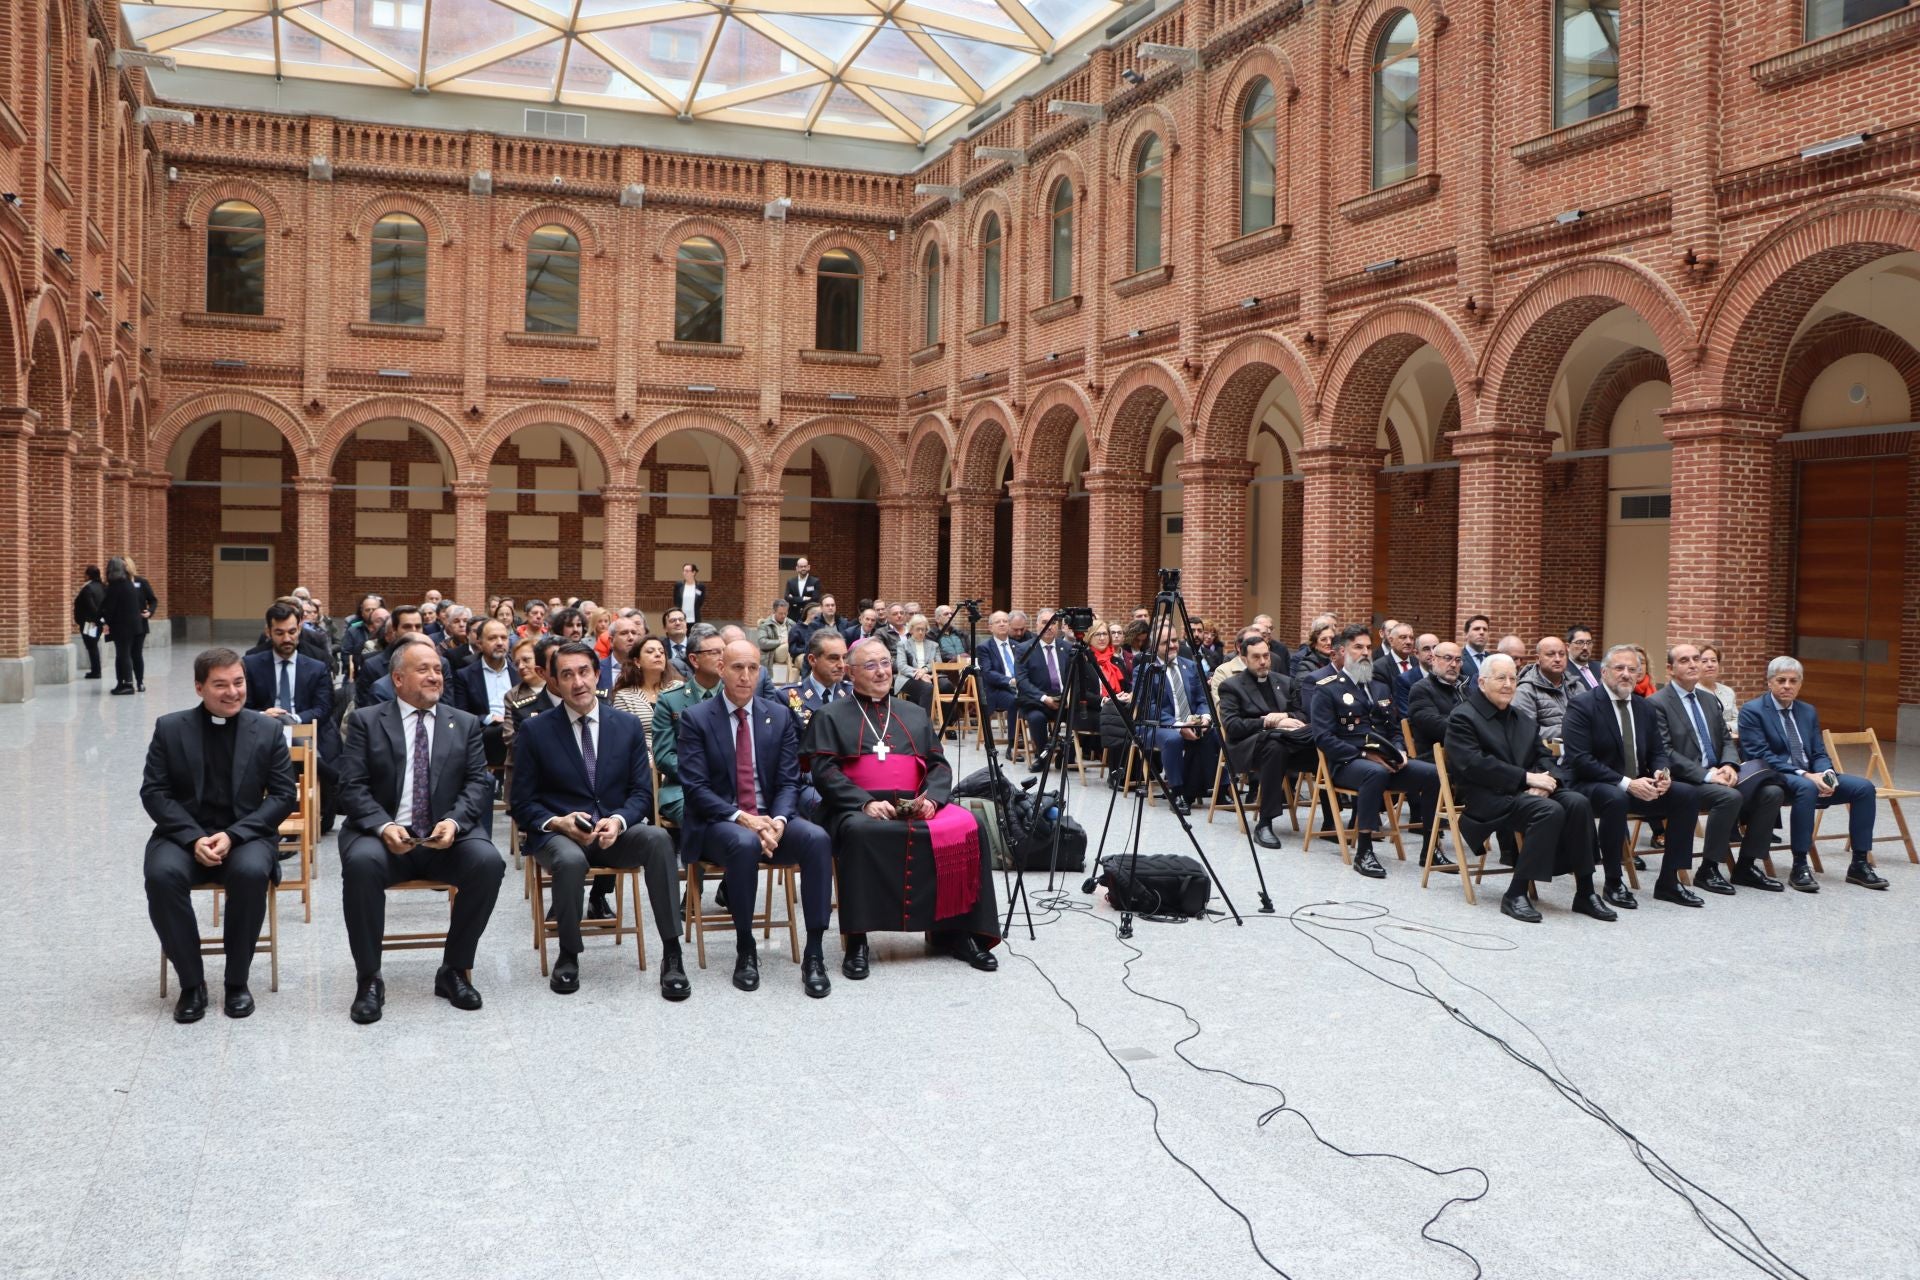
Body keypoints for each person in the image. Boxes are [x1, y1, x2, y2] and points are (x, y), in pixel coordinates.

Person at [806, 638, 1001, 980]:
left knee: (971, 826)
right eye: (870, 665)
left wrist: (933, 800)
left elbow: (939, 765)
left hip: (917, 803)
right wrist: (863, 801)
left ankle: (958, 932)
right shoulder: (829, 716)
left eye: (885, 663)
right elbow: (824, 772)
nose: (882, 671)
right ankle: (858, 940)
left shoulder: (913, 713)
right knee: (861, 832)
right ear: (850, 672)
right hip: (857, 805)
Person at [335, 635, 505, 1023]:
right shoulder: (366, 721)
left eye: (438, 670)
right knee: (360, 864)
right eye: (423, 669)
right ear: (398, 678)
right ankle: (369, 978)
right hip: (384, 838)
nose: (435, 676)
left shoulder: (462, 723)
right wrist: (382, 826)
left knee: (488, 863)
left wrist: (454, 821)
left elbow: (479, 783)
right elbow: (351, 786)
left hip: (445, 837)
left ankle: (454, 969)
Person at [512, 642, 686, 999]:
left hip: (613, 835)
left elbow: (641, 792)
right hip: (559, 835)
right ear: (556, 682)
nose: (577, 682)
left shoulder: (626, 725)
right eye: (567, 675)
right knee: (571, 859)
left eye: (584, 672)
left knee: (658, 839)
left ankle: (672, 953)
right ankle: (569, 954)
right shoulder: (536, 730)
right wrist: (558, 823)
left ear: (597, 675)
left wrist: (619, 821)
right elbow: (521, 803)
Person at [142, 648, 298, 1022]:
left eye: (239, 682)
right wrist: (194, 838)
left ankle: (236, 982)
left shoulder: (268, 730)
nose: (232, 692)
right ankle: (192, 984)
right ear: (199, 687)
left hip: (246, 836)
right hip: (182, 836)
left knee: (249, 873)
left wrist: (234, 834)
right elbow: (154, 792)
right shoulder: (170, 728)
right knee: (161, 876)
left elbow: (282, 796)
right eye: (221, 685)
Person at [678, 639, 836, 997]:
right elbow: (696, 788)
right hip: (721, 823)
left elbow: (788, 780)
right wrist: (744, 819)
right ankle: (745, 947)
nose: (745, 676)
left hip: (771, 820)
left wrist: (779, 821)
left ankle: (814, 952)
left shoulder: (777, 714)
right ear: (721, 669)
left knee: (817, 839)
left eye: (753, 668)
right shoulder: (697, 719)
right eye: (737, 667)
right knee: (745, 842)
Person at [1442, 654, 1612, 924]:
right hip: (1488, 798)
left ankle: (1586, 891)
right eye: (1501, 678)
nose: (1509, 684)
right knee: (1549, 811)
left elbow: (1542, 755)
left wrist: (1547, 779)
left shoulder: (1521, 717)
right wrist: (1527, 779)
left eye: (1513, 678)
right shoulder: (1463, 717)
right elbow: (1473, 765)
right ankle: (1516, 892)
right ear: (1483, 682)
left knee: (1578, 802)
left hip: (1527, 792)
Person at [1561, 644, 1705, 910]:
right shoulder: (1583, 705)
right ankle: (1614, 881)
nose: (1626, 674)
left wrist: (1662, 774)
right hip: (1591, 785)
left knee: (1686, 794)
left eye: (1632, 669)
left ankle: (1669, 882)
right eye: (1619, 668)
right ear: (1604, 672)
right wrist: (1628, 784)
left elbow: (1658, 752)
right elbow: (1581, 760)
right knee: (1615, 798)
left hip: (1637, 784)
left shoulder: (1643, 707)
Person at [1738, 656, 1887, 892]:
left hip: (1811, 776)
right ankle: (1799, 866)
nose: (1787, 686)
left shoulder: (1807, 711)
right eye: (1781, 680)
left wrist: (1827, 775)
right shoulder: (1752, 710)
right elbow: (1761, 755)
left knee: (1864, 788)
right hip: (1776, 777)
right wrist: (1807, 776)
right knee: (1806, 787)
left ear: (1800, 684)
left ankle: (1859, 864)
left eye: (1793, 681)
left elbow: (1818, 751)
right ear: (1769, 683)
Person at [1652, 643, 1787, 894]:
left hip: (1718, 772)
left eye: (1696, 659)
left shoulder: (1708, 699)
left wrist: (1728, 765)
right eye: (1685, 661)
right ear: (1670, 669)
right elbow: (1666, 751)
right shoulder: (1658, 703)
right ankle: (1709, 868)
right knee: (1729, 797)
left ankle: (1746, 865)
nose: (1693, 664)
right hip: (1685, 781)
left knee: (1772, 793)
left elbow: (1726, 739)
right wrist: (1707, 775)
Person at [1308, 623, 1440, 878]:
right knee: (1374, 773)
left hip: (1387, 760)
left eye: (1368, 647)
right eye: (1358, 647)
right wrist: (1364, 755)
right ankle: (1364, 851)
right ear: (1343, 652)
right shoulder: (1328, 688)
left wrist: (1400, 751)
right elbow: (1323, 738)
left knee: (1433, 774)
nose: (1366, 652)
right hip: (1347, 762)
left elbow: (1394, 728)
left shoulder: (1380, 687)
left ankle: (1430, 847)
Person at [1218, 631, 1316, 850]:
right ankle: (1265, 822)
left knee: (1324, 741)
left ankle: (1332, 818)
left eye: (1266, 656)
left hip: (1290, 741)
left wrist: (1285, 717)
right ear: (1243, 659)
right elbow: (1233, 727)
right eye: (1256, 657)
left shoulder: (1284, 681)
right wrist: (1268, 722)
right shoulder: (1231, 686)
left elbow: (1303, 715)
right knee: (1275, 746)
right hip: (1249, 746)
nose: (1263, 661)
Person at [1131, 626, 1216, 816]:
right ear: (1153, 646)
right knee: (1173, 739)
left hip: (1190, 721)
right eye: (1165, 642)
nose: (1172, 645)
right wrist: (1178, 726)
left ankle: (1190, 792)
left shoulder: (1190, 666)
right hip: (1157, 725)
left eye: (1175, 641)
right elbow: (1148, 707)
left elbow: (1203, 699)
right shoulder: (1144, 670)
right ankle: (1176, 791)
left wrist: (1205, 717)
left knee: (1211, 733)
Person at [243, 600, 339, 761]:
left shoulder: (317, 667)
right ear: (268, 632)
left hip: (305, 728)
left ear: (299, 629)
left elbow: (324, 708)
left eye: (292, 632)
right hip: (264, 730)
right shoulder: (250, 665)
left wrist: (293, 719)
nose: (287, 638)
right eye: (279, 633)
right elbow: (242, 707)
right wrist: (263, 715)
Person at [650, 627, 727, 825]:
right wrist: (706, 774)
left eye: (724, 651)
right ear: (694, 660)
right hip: (683, 788)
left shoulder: (735, 697)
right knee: (706, 815)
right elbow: (665, 756)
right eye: (714, 652)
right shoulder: (670, 700)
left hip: (732, 785)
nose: (722, 657)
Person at [455, 619, 518, 769]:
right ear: (479, 643)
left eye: (503, 638)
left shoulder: (518, 673)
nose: (499, 642)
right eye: (492, 638)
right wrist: (489, 718)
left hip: (517, 732)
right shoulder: (465, 675)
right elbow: (460, 714)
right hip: (485, 734)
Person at [610, 636, 683, 760]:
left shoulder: (678, 688)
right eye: (650, 651)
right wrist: (652, 764)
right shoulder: (624, 696)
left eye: (661, 652)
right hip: (643, 762)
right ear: (637, 662)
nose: (658, 654)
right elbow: (625, 739)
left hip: (680, 759)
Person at [1016, 611, 1073, 770]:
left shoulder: (1067, 648)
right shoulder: (1024, 648)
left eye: (1053, 623)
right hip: (1036, 701)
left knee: (1081, 714)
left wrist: (1068, 698)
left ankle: (1068, 754)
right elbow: (1022, 681)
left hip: (1064, 701)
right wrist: (1043, 698)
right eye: (1044, 622)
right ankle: (1043, 757)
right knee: (1036, 718)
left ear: (1058, 627)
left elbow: (1074, 677)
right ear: (1037, 625)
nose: (1049, 626)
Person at [1406, 641, 1468, 760]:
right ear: (1433, 660)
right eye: (1448, 658)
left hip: (1465, 751)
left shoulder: (1465, 687)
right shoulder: (1421, 689)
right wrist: (1472, 728)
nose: (1454, 664)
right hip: (1436, 757)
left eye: (1458, 660)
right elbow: (1437, 727)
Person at [101, 556, 153, 694]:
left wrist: (104, 622)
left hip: (124, 626)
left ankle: (129, 683)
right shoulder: (127, 583)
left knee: (127, 654)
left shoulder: (118, 584)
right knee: (125, 655)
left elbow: (110, 607)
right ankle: (124, 682)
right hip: (133, 625)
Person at [1512, 635, 1575, 745]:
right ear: (1537, 659)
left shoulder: (1576, 685)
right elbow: (1526, 732)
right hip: (1547, 756)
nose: (1557, 659)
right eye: (1551, 654)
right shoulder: (1525, 690)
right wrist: (1570, 729)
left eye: (1562, 654)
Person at [974, 610, 1021, 736]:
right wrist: (1010, 681)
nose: (1002, 624)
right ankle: (1014, 744)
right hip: (997, 689)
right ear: (990, 627)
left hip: (1020, 687)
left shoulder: (1018, 646)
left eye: (1005, 621)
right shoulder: (984, 647)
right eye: (998, 622)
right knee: (1014, 701)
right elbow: (988, 673)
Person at [894, 613, 940, 715]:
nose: (920, 632)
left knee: (946, 685)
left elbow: (938, 663)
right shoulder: (902, 645)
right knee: (927, 688)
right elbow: (901, 666)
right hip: (908, 678)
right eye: (918, 629)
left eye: (923, 629)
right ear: (911, 630)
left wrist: (924, 670)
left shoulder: (934, 645)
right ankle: (924, 722)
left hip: (930, 676)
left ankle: (949, 721)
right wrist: (920, 674)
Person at [1698, 644, 1737, 739]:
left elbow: (1738, 720)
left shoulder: (1728, 691)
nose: (1710, 665)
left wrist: (1728, 727)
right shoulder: (1692, 692)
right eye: (1704, 661)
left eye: (1714, 661)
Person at [73, 565, 106, 680]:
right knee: (93, 645)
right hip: (97, 622)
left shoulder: (88, 588)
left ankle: (96, 671)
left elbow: (91, 607)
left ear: (88, 575)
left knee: (92, 646)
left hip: (90, 623)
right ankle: (95, 670)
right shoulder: (102, 586)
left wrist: (96, 620)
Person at [598, 613, 642, 693]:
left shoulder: (644, 668)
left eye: (634, 633)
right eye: (624, 633)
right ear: (611, 641)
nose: (631, 638)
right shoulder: (597, 668)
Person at [1565, 626, 1605, 693]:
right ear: (1568, 647)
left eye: (1589, 642)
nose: (1585, 647)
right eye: (1580, 642)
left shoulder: (1601, 667)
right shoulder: (1563, 671)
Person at [1458, 614, 1492, 683]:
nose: (1482, 632)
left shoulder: (1493, 659)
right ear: (1466, 634)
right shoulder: (1458, 658)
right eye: (1476, 629)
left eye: (1485, 629)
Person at [661, 608, 692, 674]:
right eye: (672, 621)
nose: (678, 623)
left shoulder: (696, 646)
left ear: (686, 625)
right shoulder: (660, 647)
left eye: (681, 620)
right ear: (665, 628)